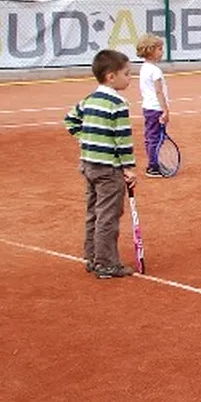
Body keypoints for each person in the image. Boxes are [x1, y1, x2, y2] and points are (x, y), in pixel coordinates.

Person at [63, 49, 138, 278]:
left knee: (93, 212)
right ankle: (106, 263)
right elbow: (122, 139)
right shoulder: (118, 103)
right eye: (126, 74)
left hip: (88, 165)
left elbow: (70, 120)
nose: (130, 78)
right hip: (108, 169)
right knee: (108, 215)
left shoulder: (90, 99)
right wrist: (129, 167)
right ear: (110, 76)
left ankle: (92, 257)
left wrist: (88, 140)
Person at [135, 35, 171, 178]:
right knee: (155, 138)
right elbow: (159, 91)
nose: (162, 52)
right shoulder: (155, 71)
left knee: (152, 137)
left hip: (148, 108)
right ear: (150, 51)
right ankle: (153, 167)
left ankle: (154, 163)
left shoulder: (144, 68)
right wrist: (165, 110)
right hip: (156, 109)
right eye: (159, 49)